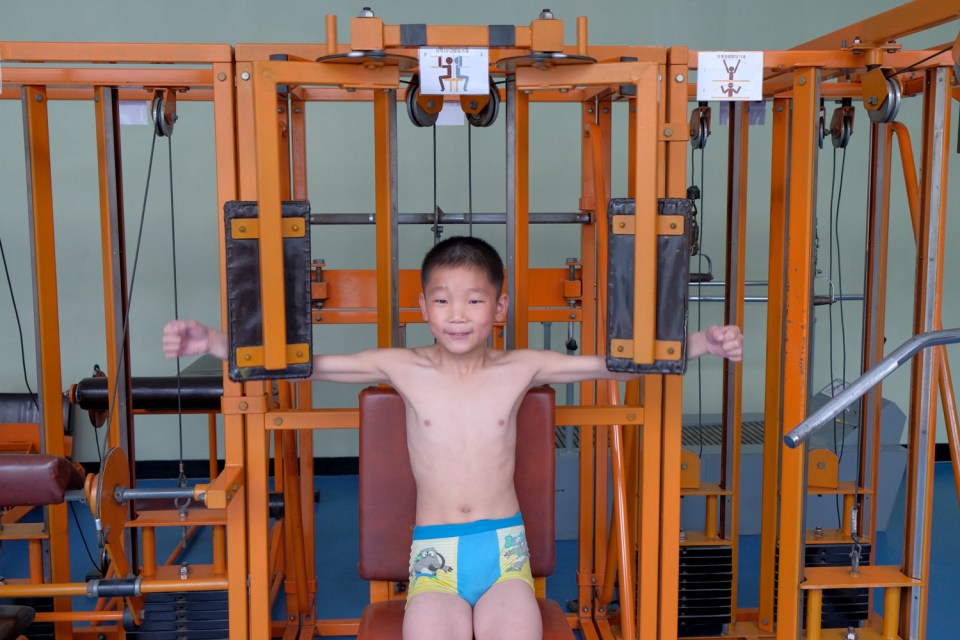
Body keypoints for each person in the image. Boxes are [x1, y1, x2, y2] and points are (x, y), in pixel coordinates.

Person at [163, 236, 742, 640]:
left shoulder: (521, 367)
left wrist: (700, 345)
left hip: (505, 553)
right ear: (423, 307)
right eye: (441, 300)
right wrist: (214, 342)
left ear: (499, 306)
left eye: (473, 300)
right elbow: (308, 365)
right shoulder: (403, 366)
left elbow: (613, 366)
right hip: (435, 554)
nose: (457, 314)